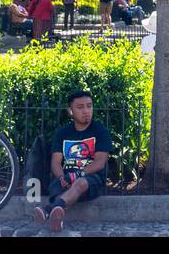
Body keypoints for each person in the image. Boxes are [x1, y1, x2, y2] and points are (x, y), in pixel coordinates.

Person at [34, 90, 112, 233]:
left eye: (89, 106)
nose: (86, 111)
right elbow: (56, 162)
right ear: (70, 111)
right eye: (80, 107)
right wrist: (61, 176)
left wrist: (78, 174)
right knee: (60, 193)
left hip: (91, 179)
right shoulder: (63, 132)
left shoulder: (100, 130)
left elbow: (100, 163)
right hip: (65, 177)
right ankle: (56, 217)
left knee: (80, 182)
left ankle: (47, 210)